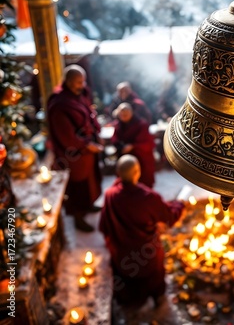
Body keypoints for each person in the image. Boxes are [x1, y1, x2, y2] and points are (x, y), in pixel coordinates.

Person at [99, 155, 185, 307]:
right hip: (146, 254)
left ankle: (131, 303)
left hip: (122, 253)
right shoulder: (148, 197)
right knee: (153, 275)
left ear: (118, 173)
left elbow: (104, 225)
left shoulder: (110, 194)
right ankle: (157, 298)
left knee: (128, 280)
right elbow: (169, 217)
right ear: (137, 172)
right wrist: (179, 204)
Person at [47, 65, 103, 232]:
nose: (82, 85)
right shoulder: (59, 103)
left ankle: (89, 204)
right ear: (69, 82)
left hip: (87, 152)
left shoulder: (78, 95)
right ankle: (79, 217)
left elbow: (88, 112)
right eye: (79, 82)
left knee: (90, 181)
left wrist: (95, 131)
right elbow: (66, 135)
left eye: (83, 81)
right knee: (79, 186)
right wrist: (87, 144)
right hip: (74, 155)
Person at [111, 103, 155, 187]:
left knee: (143, 183)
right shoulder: (117, 124)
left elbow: (147, 143)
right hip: (124, 157)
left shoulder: (141, 124)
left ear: (131, 112)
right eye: (121, 114)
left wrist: (133, 146)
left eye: (126, 114)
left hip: (140, 158)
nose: (123, 116)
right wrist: (120, 146)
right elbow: (114, 138)